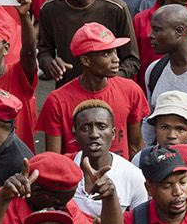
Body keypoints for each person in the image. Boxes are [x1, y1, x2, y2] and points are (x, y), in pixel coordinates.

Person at [36, 23, 149, 159]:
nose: (116, 59)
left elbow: (136, 146)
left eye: (115, 51)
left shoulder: (131, 90)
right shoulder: (57, 101)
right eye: (106, 53)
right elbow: (54, 159)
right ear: (85, 60)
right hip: (78, 177)